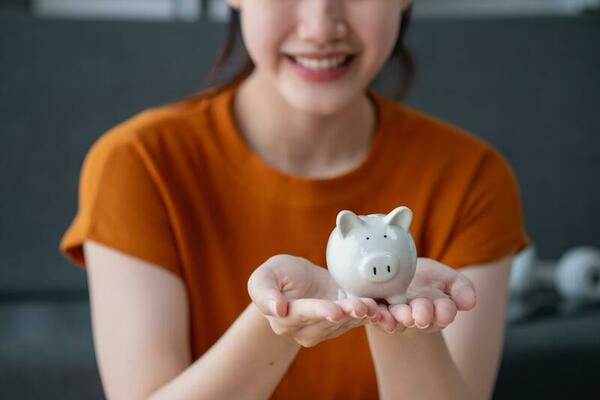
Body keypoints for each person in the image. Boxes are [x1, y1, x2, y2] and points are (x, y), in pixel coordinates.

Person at [59, 0, 530, 399]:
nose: (321, 27)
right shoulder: (138, 165)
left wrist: (401, 322)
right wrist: (277, 323)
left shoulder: (474, 177)